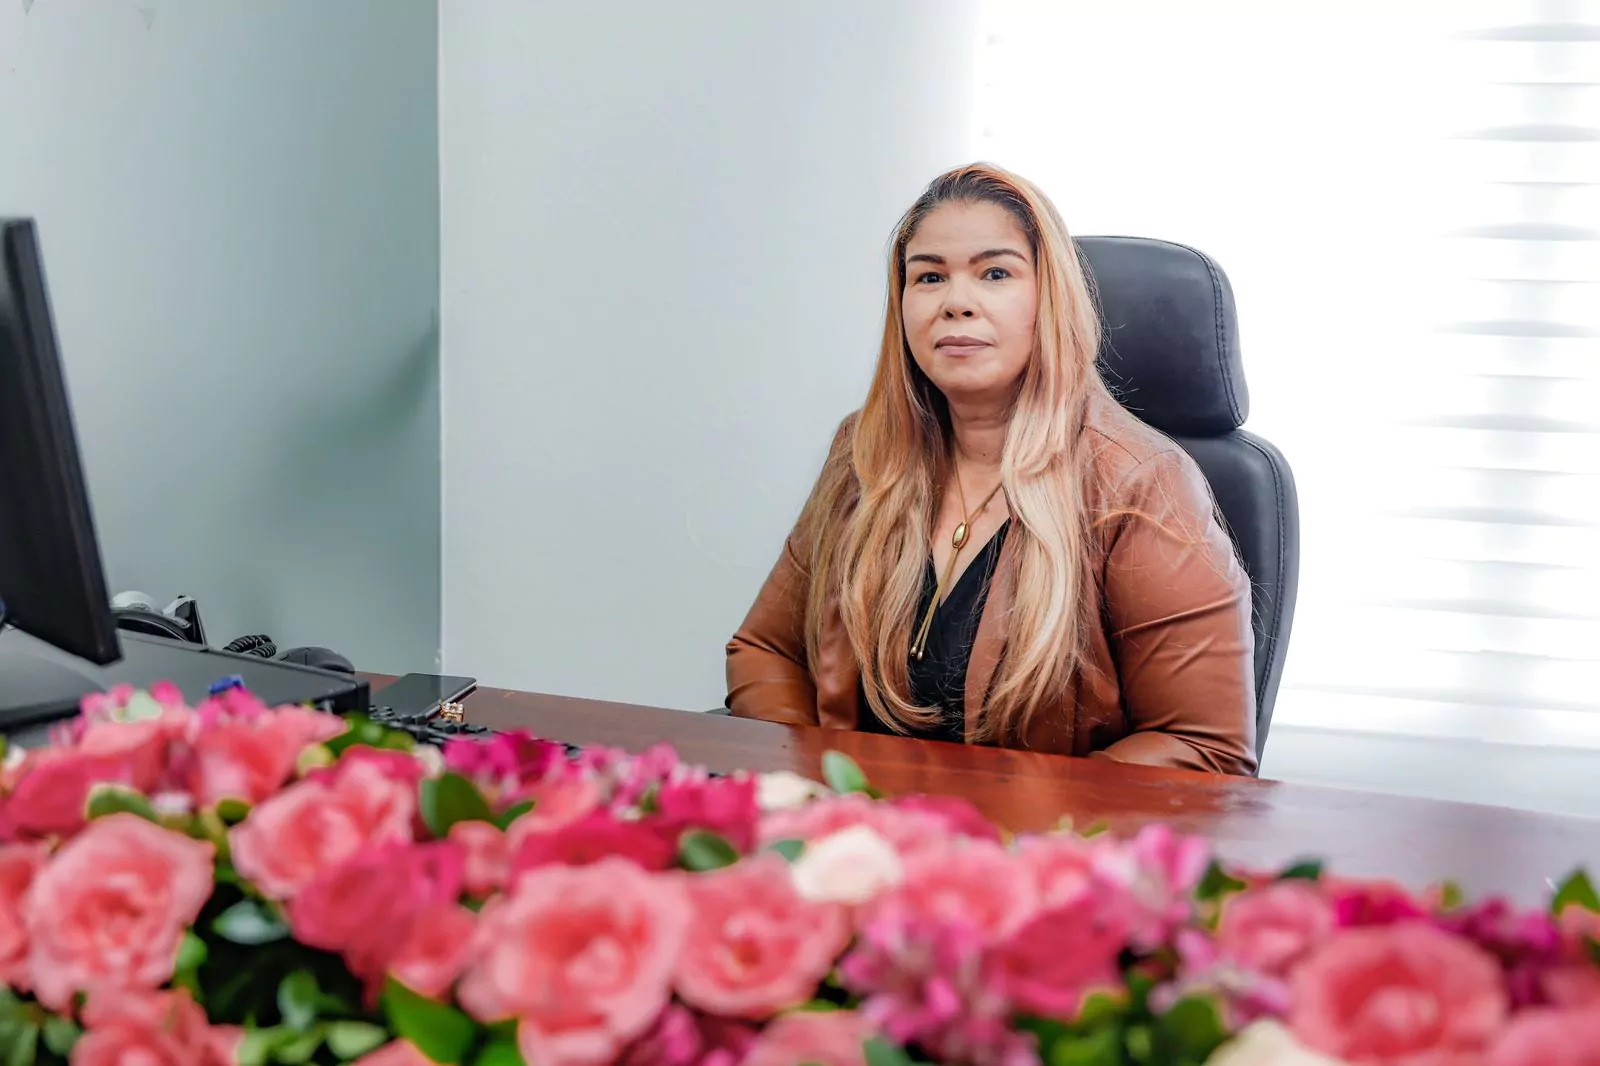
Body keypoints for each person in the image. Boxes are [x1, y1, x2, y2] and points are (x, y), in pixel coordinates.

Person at [724, 163, 1257, 776]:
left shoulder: (1140, 481)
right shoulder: (865, 450)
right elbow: (765, 651)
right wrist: (818, 790)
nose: (956, 303)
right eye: (929, 277)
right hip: (859, 824)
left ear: (1048, 299)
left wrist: (985, 823)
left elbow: (1201, 747)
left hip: (1034, 833)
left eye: (995, 273)